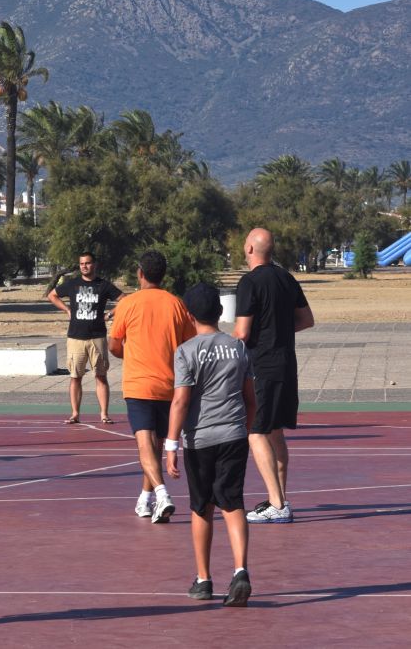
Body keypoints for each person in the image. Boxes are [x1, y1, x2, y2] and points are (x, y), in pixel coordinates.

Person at [165, 283, 257, 607]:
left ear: (189, 316)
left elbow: (180, 401)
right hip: (233, 435)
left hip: (200, 439)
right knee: (233, 503)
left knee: (201, 506)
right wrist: (242, 430)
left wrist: (171, 444)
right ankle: (241, 570)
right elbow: (251, 399)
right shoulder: (238, 347)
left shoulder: (186, 351)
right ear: (220, 312)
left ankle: (203, 579)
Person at [109, 250, 196, 524]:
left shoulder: (128, 304)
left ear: (140, 273)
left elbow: (114, 345)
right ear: (164, 275)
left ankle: (161, 493)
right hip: (170, 385)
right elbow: (187, 344)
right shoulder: (176, 304)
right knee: (155, 446)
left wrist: (130, 353)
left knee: (144, 443)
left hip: (139, 384)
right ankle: (145, 500)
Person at [234, 227, 313, 524]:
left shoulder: (250, 282)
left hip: (262, 367)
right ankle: (279, 498)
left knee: (255, 432)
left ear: (251, 249)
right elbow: (306, 319)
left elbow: (242, 331)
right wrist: (277, 330)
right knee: (275, 431)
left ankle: (278, 504)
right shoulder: (287, 278)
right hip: (286, 364)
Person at [49, 251, 123, 424]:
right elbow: (52, 295)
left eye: (88, 263)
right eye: (82, 263)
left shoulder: (103, 285)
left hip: (97, 337)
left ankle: (104, 414)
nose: (84, 266)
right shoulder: (72, 284)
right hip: (76, 337)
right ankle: (75, 413)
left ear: (94, 265)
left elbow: (125, 300)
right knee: (75, 376)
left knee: (101, 375)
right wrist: (67, 309)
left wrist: (110, 314)